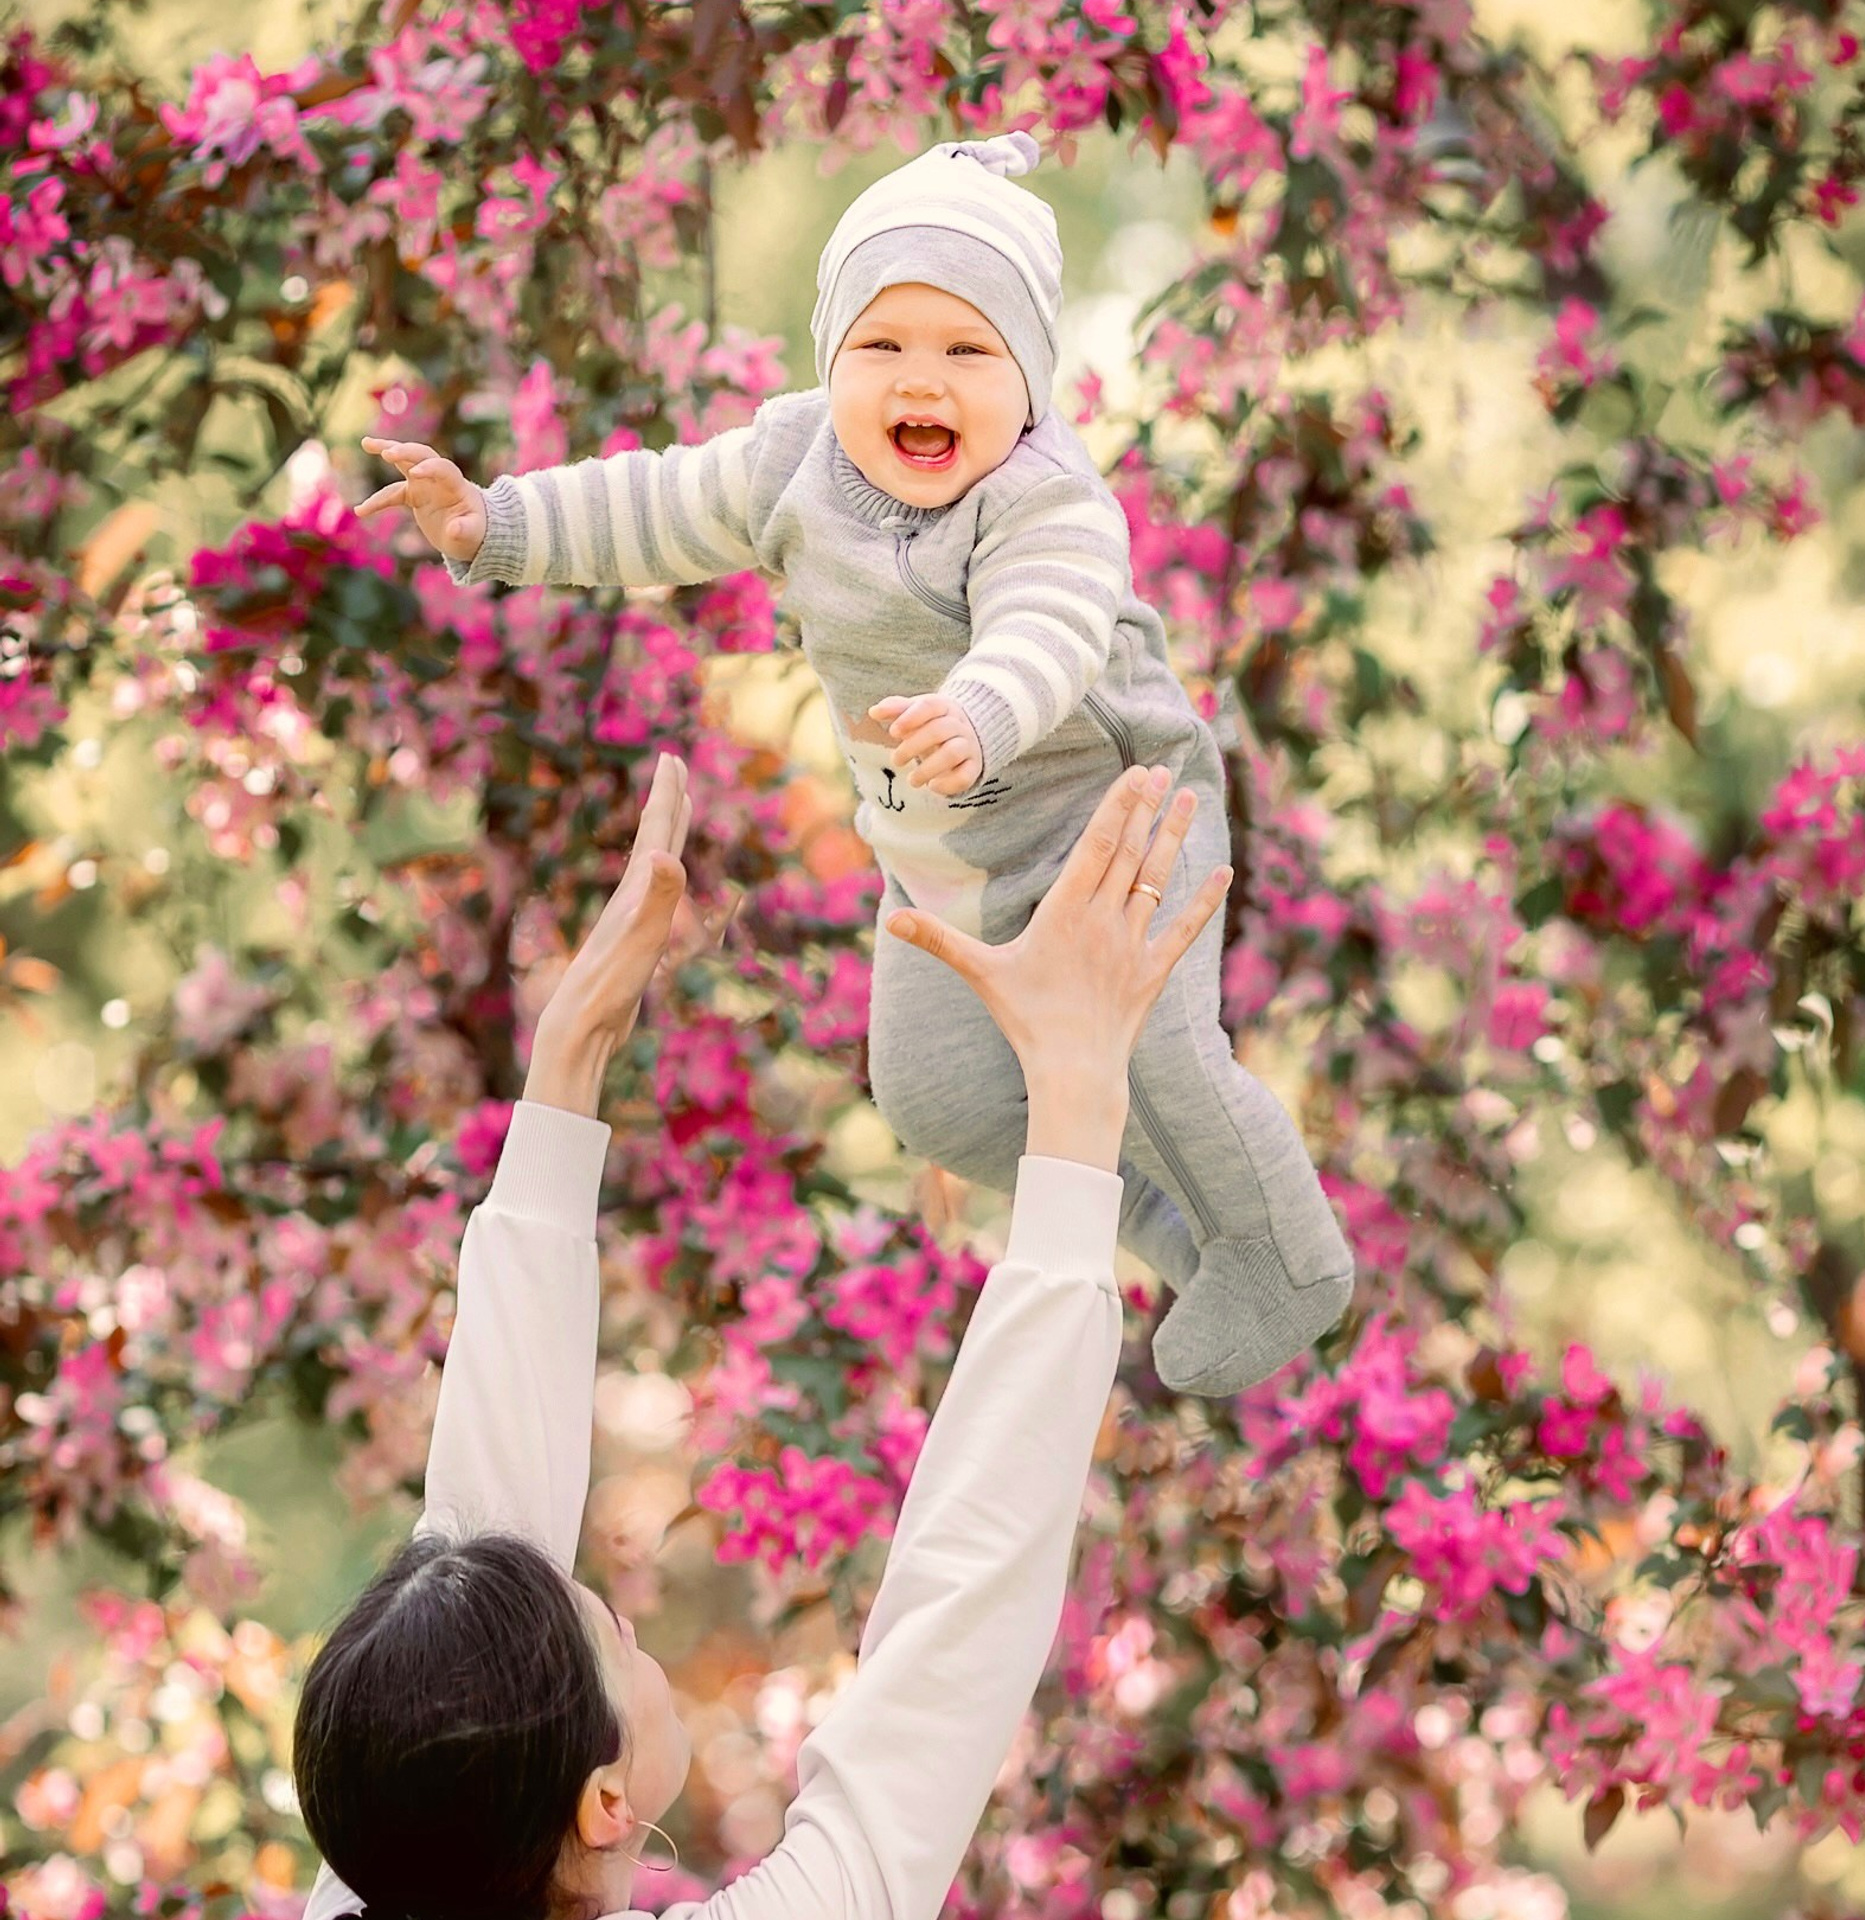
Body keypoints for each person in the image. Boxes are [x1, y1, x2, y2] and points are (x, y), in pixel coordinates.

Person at [353, 131, 1354, 1395]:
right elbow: (652, 505)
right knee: (939, 1103)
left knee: (1158, 1048)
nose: (919, 380)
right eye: (881, 346)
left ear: (1031, 379)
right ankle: (1185, 1231)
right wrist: (492, 521)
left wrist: (982, 708)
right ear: (832, 361)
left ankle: (1289, 1258)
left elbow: (1048, 623)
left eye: (968, 352)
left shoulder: (1043, 496)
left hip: (1113, 824)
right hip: (941, 862)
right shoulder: (791, 463)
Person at [295, 754, 1233, 1920]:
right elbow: (960, 1612)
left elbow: (474, 1579)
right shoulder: (380, 1850)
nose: (624, 1617)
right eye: (610, 1638)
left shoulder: (390, 1861)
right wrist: (1082, 1075)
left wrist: (571, 1053)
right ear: (603, 1802)